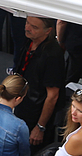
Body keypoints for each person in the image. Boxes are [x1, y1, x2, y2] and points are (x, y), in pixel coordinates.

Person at [14, 16, 65, 149]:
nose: (27, 28)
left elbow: (53, 95)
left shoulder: (52, 55)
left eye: (34, 27)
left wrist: (40, 127)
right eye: (27, 23)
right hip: (23, 107)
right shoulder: (29, 41)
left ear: (48, 31)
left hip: (36, 116)